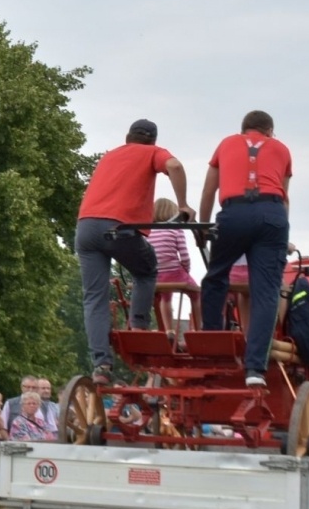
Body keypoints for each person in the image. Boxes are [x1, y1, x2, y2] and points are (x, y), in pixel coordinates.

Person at [75, 118, 192, 383]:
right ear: (152, 141)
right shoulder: (152, 152)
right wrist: (183, 205)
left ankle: (101, 366)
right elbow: (174, 165)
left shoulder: (109, 156)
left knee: (94, 298)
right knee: (147, 268)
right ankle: (138, 325)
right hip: (118, 227)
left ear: (128, 138)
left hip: (86, 227)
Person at [199, 110, 294, 387]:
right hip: (271, 215)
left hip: (234, 212)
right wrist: (280, 232)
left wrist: (204, 226)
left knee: (216, 277)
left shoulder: (226, 143)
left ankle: (212, 346)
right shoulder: (282, 149)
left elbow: (208, 190)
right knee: (265, 291)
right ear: (270, 131)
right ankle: (255, 370)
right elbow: (284, 197)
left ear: (243, 129)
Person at [150, 197, 198, 332]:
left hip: (157, 275)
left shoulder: (147, 232)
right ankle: (198, 328)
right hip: (175, 273)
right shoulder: (176, 230)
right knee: (196, 294)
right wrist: (186, 271)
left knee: (165, 299)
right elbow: (185, 257)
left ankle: (168, 330)